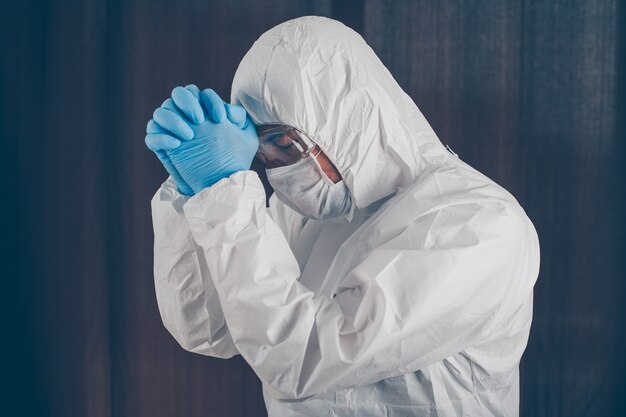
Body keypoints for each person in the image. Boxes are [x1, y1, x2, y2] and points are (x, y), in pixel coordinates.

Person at [145, 16, 540, 417]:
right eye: (262, 151)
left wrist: (226, 193)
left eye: (284, 144)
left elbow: (301, 356)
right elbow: (211, 330)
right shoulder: (312, 209)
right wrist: (194, 194)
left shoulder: (479, 224)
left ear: (350, 122)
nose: (276, 172)